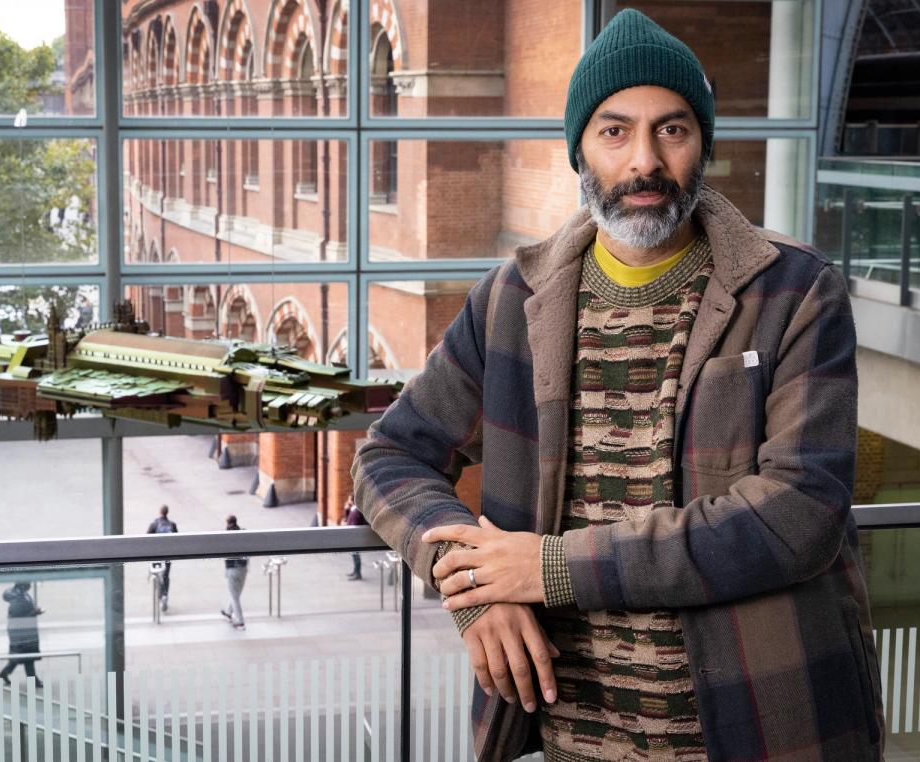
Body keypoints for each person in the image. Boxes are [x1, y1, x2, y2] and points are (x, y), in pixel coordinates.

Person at [352, 10, 882, 761]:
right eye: (614, 131)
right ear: (580, 150)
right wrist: (474, 586)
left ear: (701, 142)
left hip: (764, 723)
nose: (645, 160)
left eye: (672, 129)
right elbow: (388, 455)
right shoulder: (511, 299)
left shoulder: (794, 292)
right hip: (575, 735)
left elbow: (798, 514)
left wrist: (549, 568)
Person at [0, 582, 44, 688]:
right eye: (28, 583)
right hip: (23, 632)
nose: (30, 585)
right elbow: (20, 618)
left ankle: (4, 673)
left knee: (20, 655)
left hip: (22, 631)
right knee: (28, 657)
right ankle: (33, 681)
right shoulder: (19, 599)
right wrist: (35, 612)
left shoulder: (19, 594)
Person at [146, 505, 179, 612]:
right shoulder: (172, 525)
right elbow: (177, 539)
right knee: (166, 576)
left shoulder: (154, 524)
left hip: (156, 554)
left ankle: (160, 596)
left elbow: (146, 537)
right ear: (167, 512)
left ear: (160, 512)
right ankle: (164, 595)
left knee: (157, 574)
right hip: (168, 555)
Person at [219, 515, 248, 631]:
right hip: (243, 568)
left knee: (234, 595)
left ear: (227, 523)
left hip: (232, 569)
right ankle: (229, 611)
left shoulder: (226, 535)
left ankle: (240, 621)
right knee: (237, 593)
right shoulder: (243, 533)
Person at [341, 495, 366, 580]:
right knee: (353, 554)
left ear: (352, 500)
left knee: (356, 555)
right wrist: (346, 509)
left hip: (355, 536)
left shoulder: (358, 510)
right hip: (351, 535)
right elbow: (348, 518)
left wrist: (348, 524)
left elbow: (355, 521)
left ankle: (358, 574)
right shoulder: (352, 509)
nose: (347, 501)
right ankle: (355, 571)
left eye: (349, 499)